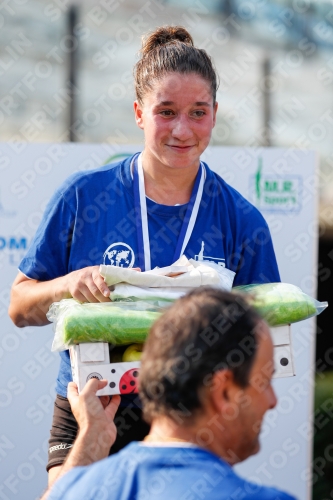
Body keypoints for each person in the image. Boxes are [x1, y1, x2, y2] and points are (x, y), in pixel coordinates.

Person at [8, 26, 280, 484]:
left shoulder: (241, 219)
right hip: (95, 404)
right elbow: (19, 306)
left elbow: (264, 335)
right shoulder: (82, 196)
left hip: (192, 416)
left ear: (214, 114)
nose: (181, 129)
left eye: (197, 112)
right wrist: (67, 285)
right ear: (139, 112)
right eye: (166, 112)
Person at [41, 288, 295, 500]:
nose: (273, 401)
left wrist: (91, 441)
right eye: (264, 382)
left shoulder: (77, 491)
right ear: (224, 391)